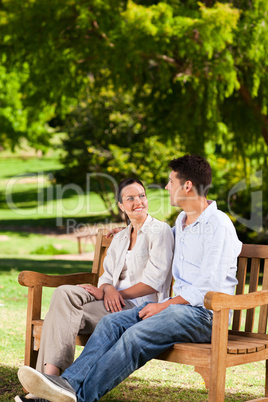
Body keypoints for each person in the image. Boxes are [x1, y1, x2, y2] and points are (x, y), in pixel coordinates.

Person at [16, 154, 242, 402]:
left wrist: (163, 305)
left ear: (187, 185)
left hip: (207, 316)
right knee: (111, 324)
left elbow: (207, 289)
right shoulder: (183, 222)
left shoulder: (219, 225)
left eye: (170, 181)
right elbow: (158, 236)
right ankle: (64, 385)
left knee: (134, 336)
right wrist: (128, 229)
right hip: (176, 310)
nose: (166, 187)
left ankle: (77, 397)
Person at [29, 178, 174, 381]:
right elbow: (105, 275)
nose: (138, 202)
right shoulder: (121, 236)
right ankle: (50, 380)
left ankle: (47, 380)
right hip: (109, 302)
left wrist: (115, 292)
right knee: (63, 293)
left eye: (141, 196)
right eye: (130, 198)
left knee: (61, 317)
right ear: (121, 206)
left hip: (136, 308)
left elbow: (154, 281)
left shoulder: (160, 231)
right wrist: (106, 288)